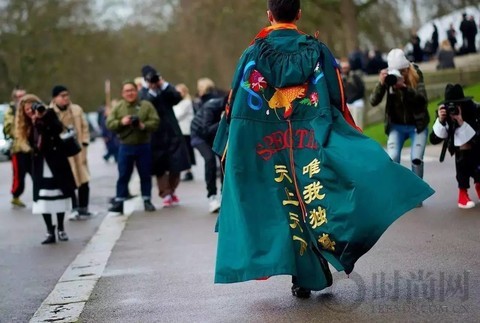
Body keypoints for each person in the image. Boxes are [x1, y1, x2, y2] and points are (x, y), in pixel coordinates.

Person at [212, 0, 434, 299]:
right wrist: (348, 134)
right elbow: (336, 97)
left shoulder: (252, 54)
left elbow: (236, 103)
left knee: (283, 204)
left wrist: (228, 143)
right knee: (314, 199)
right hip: (311, 137)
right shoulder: (317, 51)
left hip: (268, 144)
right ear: (299, 14)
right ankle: (313, 268)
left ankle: (302, 273)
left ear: (269, 15)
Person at [15, 95, 76, 244]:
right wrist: (34, 123)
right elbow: (26, 145)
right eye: (27, 109)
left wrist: (42, 119)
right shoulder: (25, 125)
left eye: (32, 107)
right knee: (43, 199)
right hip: (40, 165)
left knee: (59, 195)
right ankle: (50, 230)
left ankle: (61, 228)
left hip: (56, 162)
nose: (31, 111)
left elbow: (56, 130)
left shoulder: (48, 115)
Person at [370, 48, 430, 181]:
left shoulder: (416, 74)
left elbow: (423, 101)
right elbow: (373, 101)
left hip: (417, 125)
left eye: (402, 71)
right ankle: (397, 194)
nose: (399, 74)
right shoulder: (388, 77)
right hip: (396, 126)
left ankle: (416, 195)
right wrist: (381, 84)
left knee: (416, 159)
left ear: (407, 68)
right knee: (392, 158)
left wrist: (405, 88)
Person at [140, 65, 190, 207]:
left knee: (177, 163)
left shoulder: (166, 90)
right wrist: (151, 90)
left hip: (172, 131)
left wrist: (164, 85)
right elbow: (145, 105)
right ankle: (166, 193)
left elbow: (177, 98)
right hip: (155, 134)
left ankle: (172, 190)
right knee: (160, 166)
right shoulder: (144, 93)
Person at [107, 81, 160, 214]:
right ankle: (119, 201)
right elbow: (109, 123)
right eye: (127, 91)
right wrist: (121, 122)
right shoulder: (119, 107)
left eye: (132, 90)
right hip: (125, 145)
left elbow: (156, 122)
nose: (130, 93)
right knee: (123, 174)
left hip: (143, 145)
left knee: (145, 174)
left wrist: (143, 125)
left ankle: (147, 200)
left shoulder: (146, 105)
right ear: (122, 93)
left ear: (137, 91)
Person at [430, 84, 480, 209]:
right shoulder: (445, 114)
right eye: (451, 105)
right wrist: (441, 121)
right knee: (462, 165)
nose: (454, 108)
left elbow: (477, 136)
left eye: (457, 104)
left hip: (477, 147)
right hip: (460, 150)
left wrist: (461, 121)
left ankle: (478, 185)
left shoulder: (474, 110)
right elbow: (434, 140)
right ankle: (462, 194)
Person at [50, 85, 91, 220]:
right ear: (55, 98)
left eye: (67, 95)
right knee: (70, 180)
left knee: (84, 178)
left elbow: (85, 127)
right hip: (62, 152)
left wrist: (84, 142)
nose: (65, 98)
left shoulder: (76, 109)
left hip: (78, 149)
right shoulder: (50, 112)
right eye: (62, 96)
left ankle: (84, 208)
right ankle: (74, 208)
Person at [190, 83, 226, 213]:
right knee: (210, 159)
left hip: (213, 136)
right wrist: (223, 120)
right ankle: (212, 196)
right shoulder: (211, 107)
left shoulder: (227, 108)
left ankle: (224, 194)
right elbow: (206, 130)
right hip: (199, 136)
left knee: (224, 159)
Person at [3, 87, 31, 207]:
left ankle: (39, 196)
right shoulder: (11, 110)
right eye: (19, 97)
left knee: (37, 174)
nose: (21, 99)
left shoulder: (30, 108)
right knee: (19, 176)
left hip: (32, 148)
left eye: (23, 96)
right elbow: (8, 128)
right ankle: (16, 195)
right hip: (18, 149)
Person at [173, 84, 196, 181]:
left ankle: (188, 171)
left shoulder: (186, 102)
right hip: (179, 130)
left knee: (186, 150)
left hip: (185, 131)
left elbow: (178, 115)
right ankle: (186, 170)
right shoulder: (178, 102)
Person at [340, 59, 365, 129]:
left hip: (357, 102)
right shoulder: (341, 79)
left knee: (358, 123)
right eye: (343, 68)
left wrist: (353, 99)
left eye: (346, 67)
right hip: (347, 103)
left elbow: (361, 90)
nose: (345, 70)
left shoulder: (355, 77)